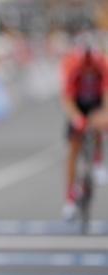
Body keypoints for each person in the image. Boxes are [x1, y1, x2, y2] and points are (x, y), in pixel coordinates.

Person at [60, 42, 108, 220]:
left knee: (100, 125)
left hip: (96, 103)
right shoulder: (73, 68)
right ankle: (70, 199)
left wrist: (103, 115)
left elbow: (106, 95)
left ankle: (97, 160)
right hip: (78, 104)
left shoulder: (102, 66)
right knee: (73, 149)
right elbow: (67, 99)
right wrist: (76, 118)